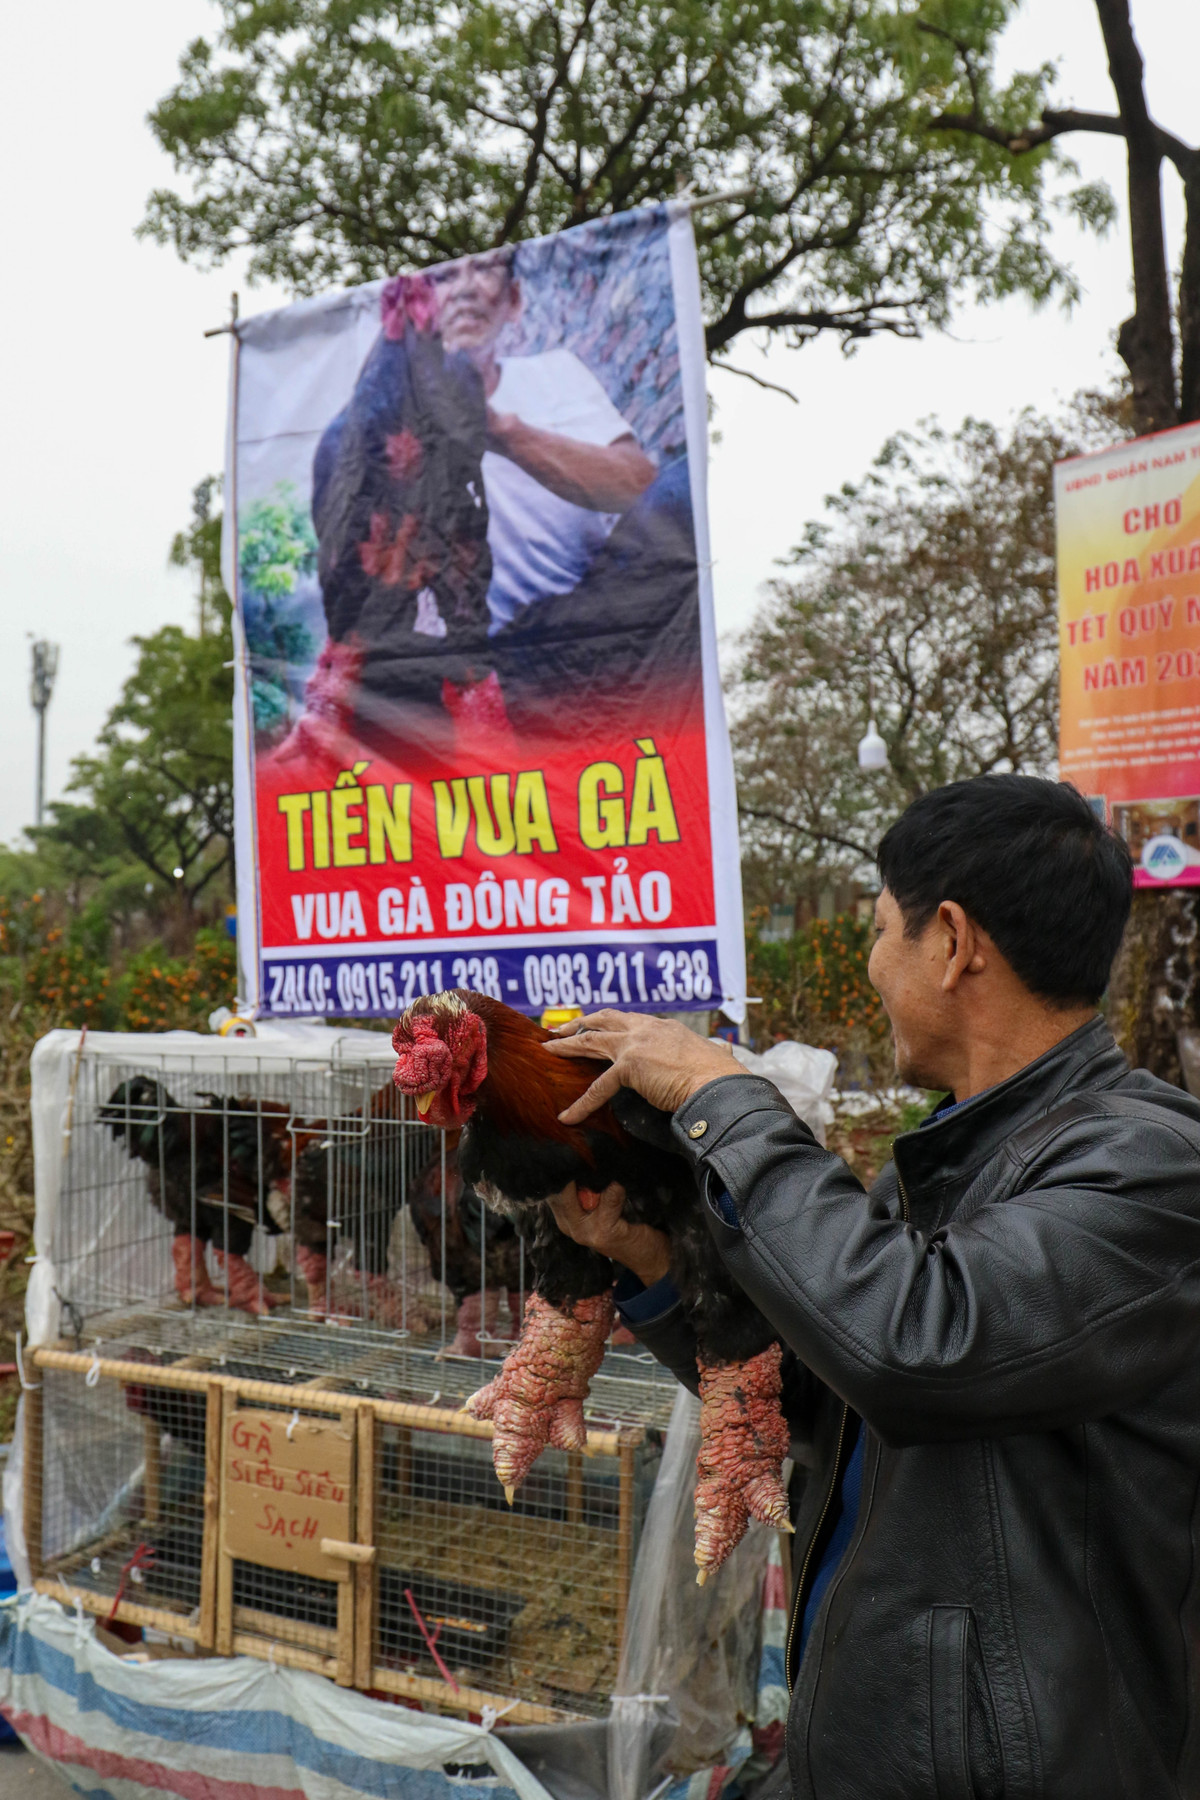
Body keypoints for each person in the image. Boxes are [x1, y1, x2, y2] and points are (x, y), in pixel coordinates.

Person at [544, 774, 1200, 1799]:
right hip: (888, 1750)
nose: (869, 961)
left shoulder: (1150, 1168)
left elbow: (917, 1347)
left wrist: (728, 1101)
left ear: (952, 941)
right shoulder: (946, 1164)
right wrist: (653, 1262)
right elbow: (830, 1395)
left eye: (881, 928)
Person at [427, 248, 656, 631]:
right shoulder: (394, 416)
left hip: (586, 616)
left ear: (513, 301)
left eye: (484, 269)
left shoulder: (555, 373)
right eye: (445, 277)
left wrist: (505, 433)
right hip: (488, 649)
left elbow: (640, 485)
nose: (464, 289)